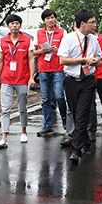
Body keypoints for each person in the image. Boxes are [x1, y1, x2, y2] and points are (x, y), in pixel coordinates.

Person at [57, 9, 102, 164]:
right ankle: (85, 142)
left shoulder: (94, 39)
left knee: (82, 114)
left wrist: (95, 60)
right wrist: (84, 60)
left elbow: (100, 58)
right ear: (83, 24)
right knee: (76, 115)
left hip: (88, 81)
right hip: (71, 80)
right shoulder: (68, 38)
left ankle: (76, 151)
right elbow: (63, 60)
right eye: (92, 22)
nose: (95, 25)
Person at [0, 14, 36, 149]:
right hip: (7, 79)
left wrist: (31, 77)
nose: (14, 26)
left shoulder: (27, 40)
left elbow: (31, 60)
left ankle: (23, 131)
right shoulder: (3, 41)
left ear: (20, 25)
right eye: (12, 24)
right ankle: (4, 137)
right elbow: (0, 61)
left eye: (17, 23)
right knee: (5, 109)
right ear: (8, 26)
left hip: (22, 79)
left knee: (22, 107)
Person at [34, 9, 68, 137]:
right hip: (43, 69)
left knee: (59, 96)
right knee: (45, 99)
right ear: (44, 20)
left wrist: (57, 49)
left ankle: (66, 123)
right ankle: (47, 125)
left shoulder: (62, 32)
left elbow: (66, 50)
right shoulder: (39, 33)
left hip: (58, 68)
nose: (50, 20)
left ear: (55, 19)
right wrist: (42, 51)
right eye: (48, 18)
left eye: (52, 17)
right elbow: (34, 52)